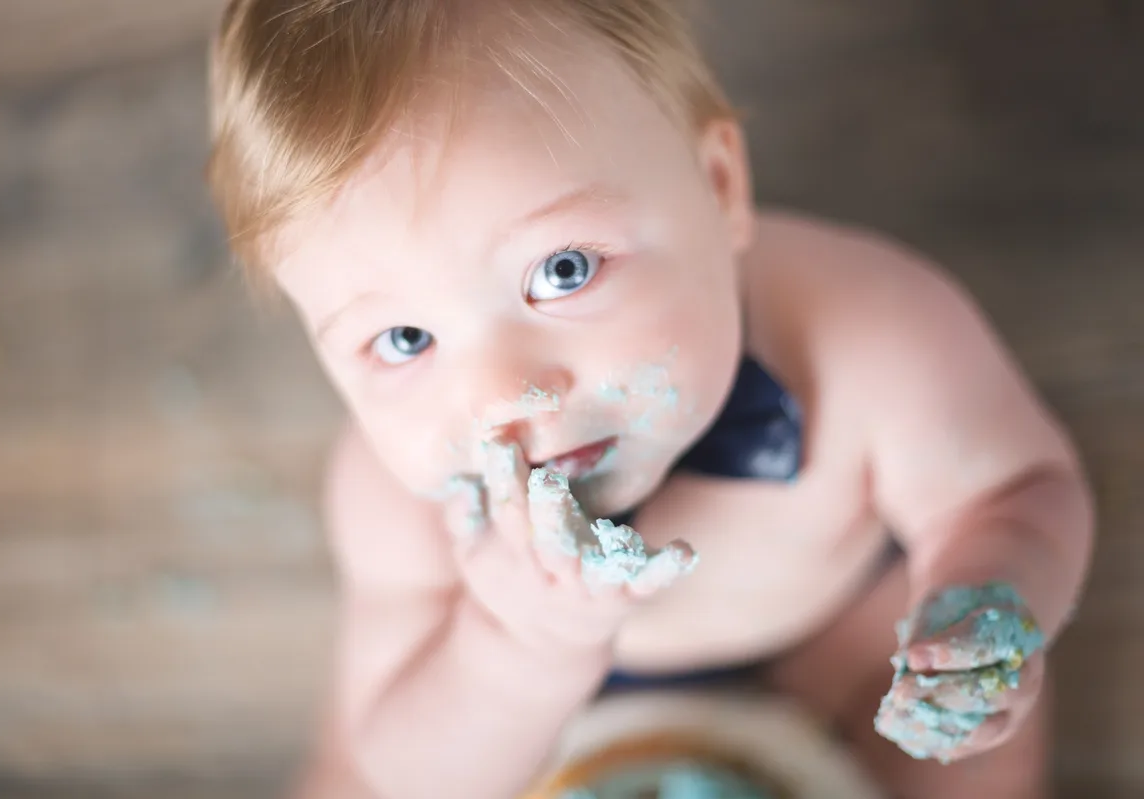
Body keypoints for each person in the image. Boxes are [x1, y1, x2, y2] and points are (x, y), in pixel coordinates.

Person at [205, 2, 1095, 797]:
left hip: (844, 626)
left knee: (969, 738)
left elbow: (1016, 489)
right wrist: (520, 648)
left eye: (563, 270)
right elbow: (409, 775)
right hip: (545, 707)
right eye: (405, 339)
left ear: (719, 188)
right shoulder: (395, 501)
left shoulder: (874, 335)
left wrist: (987, 595)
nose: (501, 397)